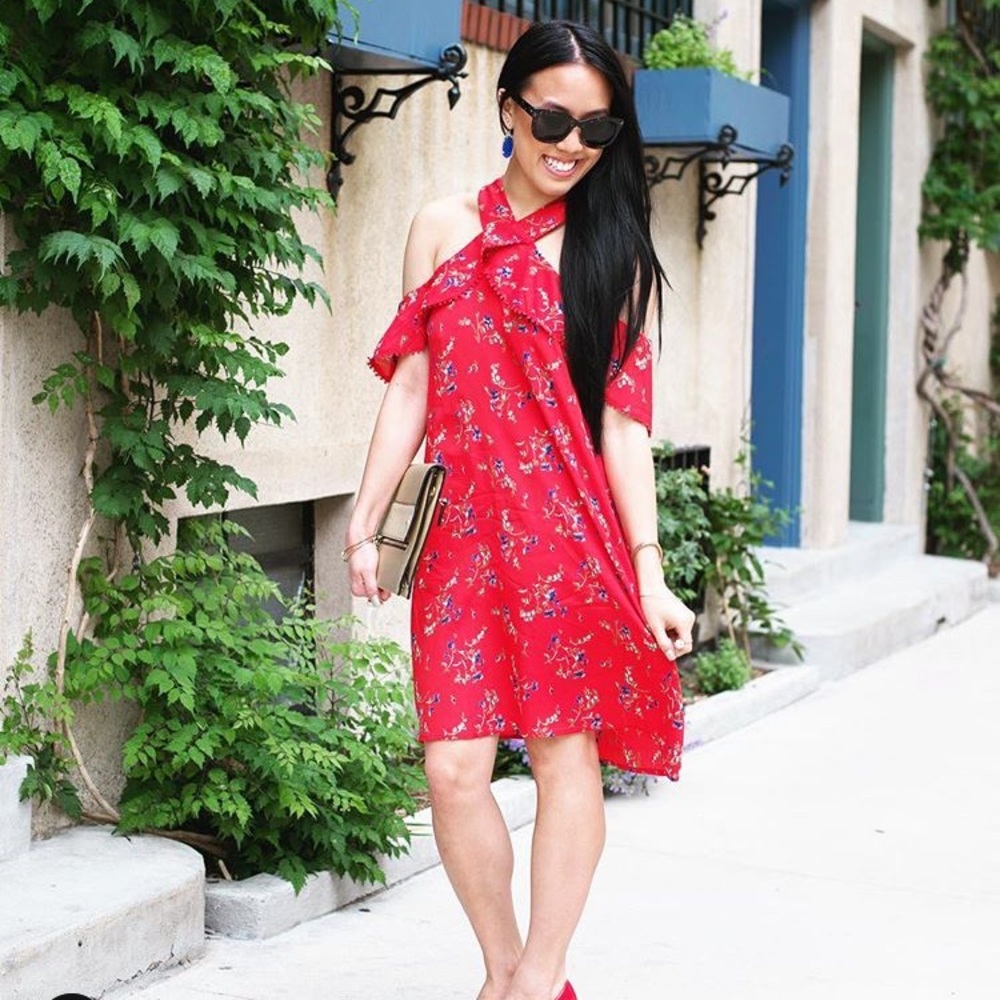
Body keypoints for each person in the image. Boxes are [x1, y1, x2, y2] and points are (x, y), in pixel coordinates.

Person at [345, 19, 695, 1000]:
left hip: (570, 546)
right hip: (459, 538)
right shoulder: (440, 224)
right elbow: (410, 386)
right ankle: (506, 964)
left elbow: (625, 430)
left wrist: (650, 569)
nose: (571, 143)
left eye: (596, 129)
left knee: (560, 755)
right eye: (552, 116)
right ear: (509, 108)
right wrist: (367, 519)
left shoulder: (611, 252)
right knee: (452, 768)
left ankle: (536, 981)